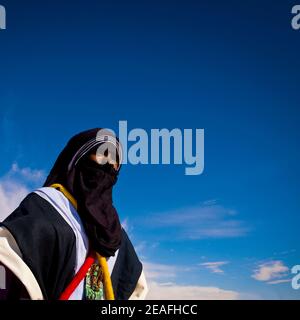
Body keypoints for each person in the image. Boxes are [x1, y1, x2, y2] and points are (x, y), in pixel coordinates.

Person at [0, 128, 148, 300]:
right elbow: (9, 260)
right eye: (102, 154)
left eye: (115, 162)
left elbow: (134, 287)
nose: (108, 165)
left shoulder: (116, 234)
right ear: (76, 160)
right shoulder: (48, 206)